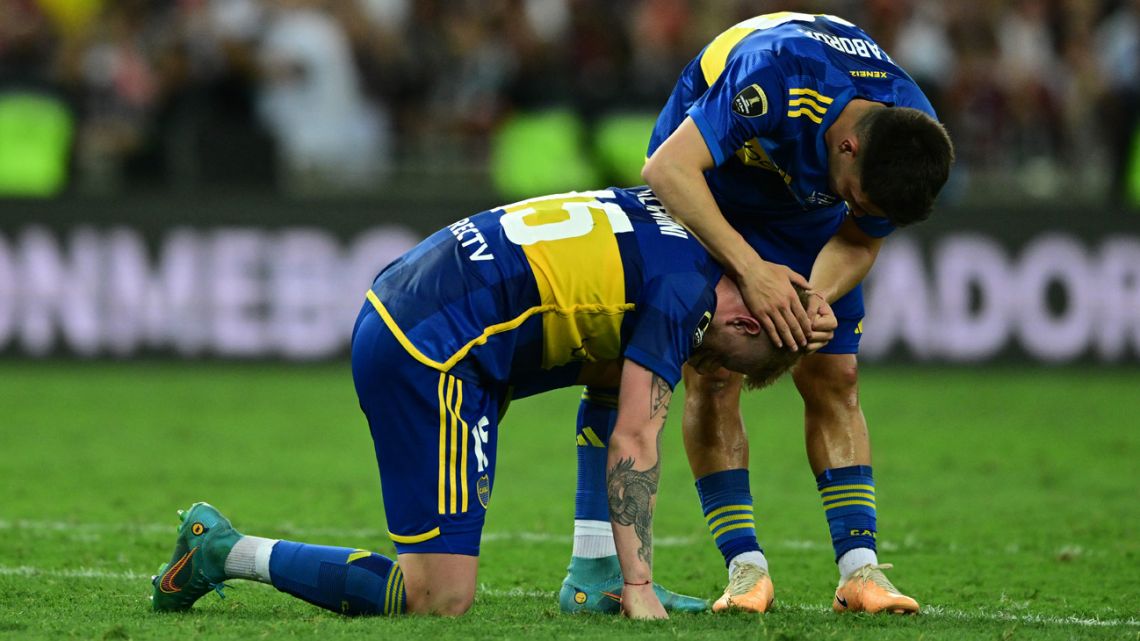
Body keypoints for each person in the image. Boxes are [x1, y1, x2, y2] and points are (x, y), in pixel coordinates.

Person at [150, 187, 836, 619]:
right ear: (748, 322)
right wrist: (643, 585)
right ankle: (225, 550)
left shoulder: (682, 217)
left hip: (426, 294)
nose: (703, 366)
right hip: (431, 350)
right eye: (715, 360)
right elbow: (636, 440)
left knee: (610, 360)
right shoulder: (685, 297)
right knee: (437, 598)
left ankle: (591, 574)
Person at [569, 12, 953, 616]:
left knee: (836, 374)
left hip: (803, 219)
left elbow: (858, 237)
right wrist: (750, 271)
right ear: (847, 144)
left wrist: (811, 301)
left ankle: (862, 571)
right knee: (716, 375)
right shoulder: (777, 74)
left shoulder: (906, 130)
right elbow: (667, 169)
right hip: (709, 192)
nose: (858, 204)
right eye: (855, 192)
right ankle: (745, 570)